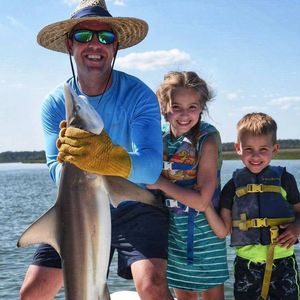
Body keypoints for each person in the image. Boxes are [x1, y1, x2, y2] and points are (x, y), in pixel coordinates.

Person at [20, 1, 173, 299]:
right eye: (82, 36)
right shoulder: (54, 103)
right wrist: (75, 164)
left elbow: (152, 166)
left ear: (115, 47)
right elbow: (54, 166)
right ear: (69, 45)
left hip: (135, 203)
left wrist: (108, 159)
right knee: (31, 293)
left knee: (152, 284)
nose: (94, 44)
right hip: (76, 207)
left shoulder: (138, 95)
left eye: (104, 38)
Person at [147, 71, 229, 300]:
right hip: (174, 234)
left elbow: (203, 200)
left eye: (192, 107)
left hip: (206, 233)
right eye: (177, 107)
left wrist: (161, 183)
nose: (184, 115)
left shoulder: (207, 141)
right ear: (164, 107)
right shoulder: (158, 138)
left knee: (213, 294)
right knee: (184, 294)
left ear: (202, 107)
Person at [215, 112, 300, 300]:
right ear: (238, 148)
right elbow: (224, 226)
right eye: (248, 149)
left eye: (263, 149)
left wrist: (296, 228)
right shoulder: (232, 186)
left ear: (274, 149)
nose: (255, 156)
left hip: (283, 262)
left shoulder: (286, 180)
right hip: (246, 264)